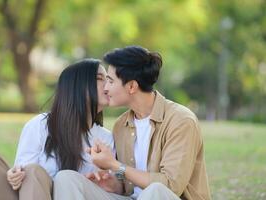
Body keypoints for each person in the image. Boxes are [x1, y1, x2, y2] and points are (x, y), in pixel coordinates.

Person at [54, 46, 211, 200]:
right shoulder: (121, 125)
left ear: (131, 86)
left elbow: (170, 186)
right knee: (66, 178)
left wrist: (115, 165)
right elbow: (128, 183)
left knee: (155, 190)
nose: (105, 88)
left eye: (110, 81)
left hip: (163, 197)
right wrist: (114, 183)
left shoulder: (181, 120)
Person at [0, 58, 114, 200]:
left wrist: (87, 182)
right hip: (29, 194)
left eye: (108, 79)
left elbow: (109, 188)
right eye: (99, 78)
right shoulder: (40, 125)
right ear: (77, 86)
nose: (108, 85)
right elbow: (22, 172)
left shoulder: (106, 140)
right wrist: (14, 175)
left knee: (33, 172)